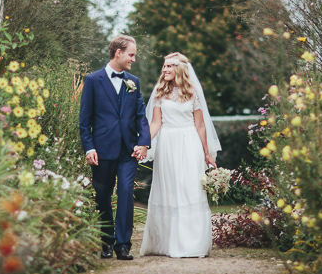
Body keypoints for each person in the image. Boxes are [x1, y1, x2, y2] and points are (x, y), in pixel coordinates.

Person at [140, 52, 220, 258]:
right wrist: (143, 144)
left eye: (168, 66)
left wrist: (206, 153)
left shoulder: (192, 92)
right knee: (169, 189)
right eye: (164, 67)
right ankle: (166, 244)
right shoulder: (160, 91)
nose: (164, 70)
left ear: (180, 69)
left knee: (189, 189)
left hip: (189, 143)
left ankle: (192, 244)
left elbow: (200, 125)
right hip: (167, 144)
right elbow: (156, 123)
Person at [79, 35, 151, 260]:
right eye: (131, 54)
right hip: (101, 150)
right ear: (118, 53)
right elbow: (85, 120)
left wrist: (143, 142)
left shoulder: (134, 82)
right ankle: (106, 242)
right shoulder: (92, 80)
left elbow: (141, 116)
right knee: (102, 195)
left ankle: (123, 245)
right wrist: (89, 148)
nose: (134, 59)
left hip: (128, 150)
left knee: (127, 192)